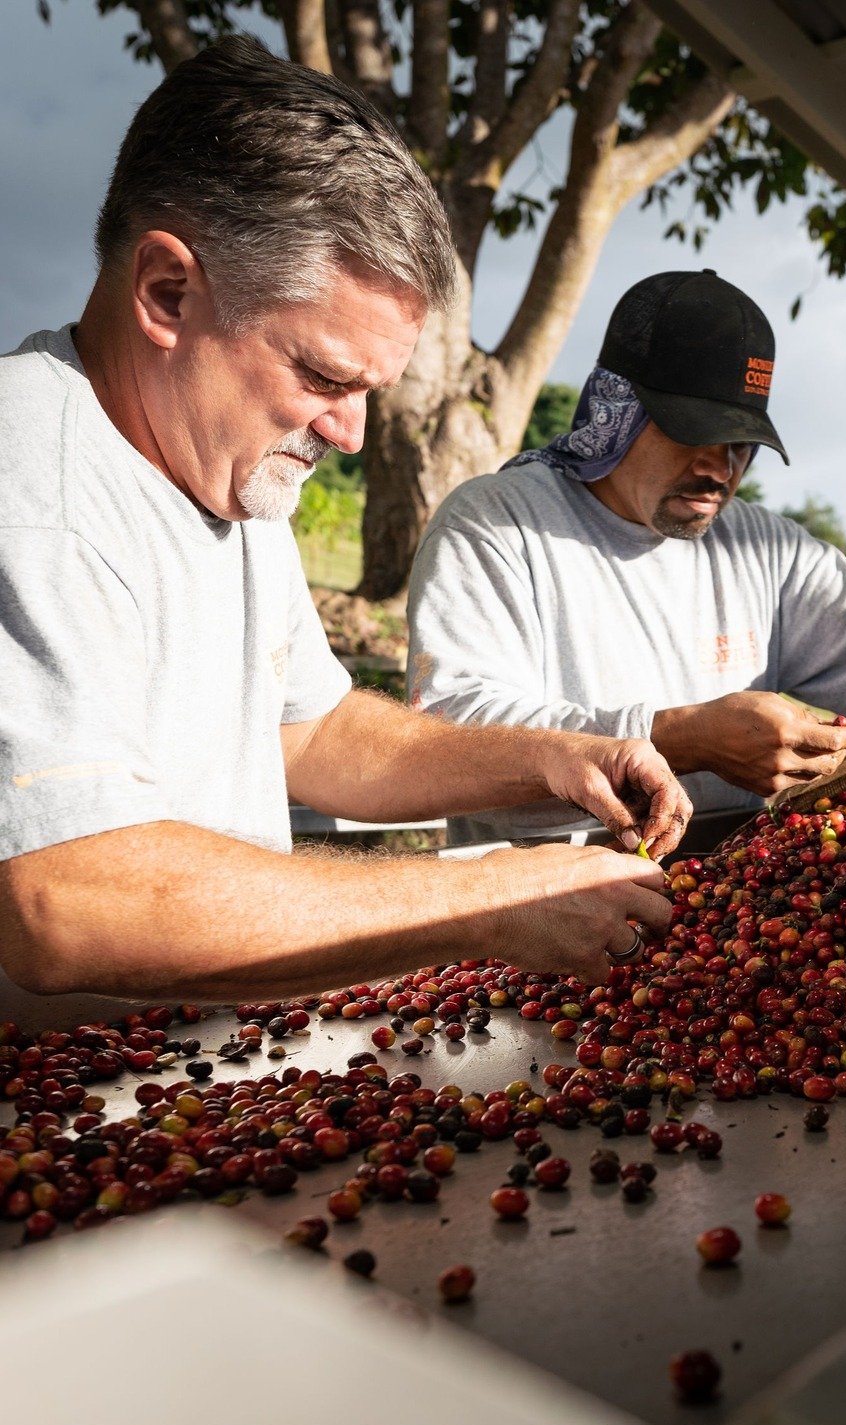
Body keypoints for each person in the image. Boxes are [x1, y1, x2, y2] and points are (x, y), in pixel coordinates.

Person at [0, 39, 691, 1003]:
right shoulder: (31, 489)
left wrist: (551, 759)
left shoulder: (223, 467)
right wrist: (476, 901)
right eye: (323, 376)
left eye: (371, 390)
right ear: (167, 292)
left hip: (203, 1099)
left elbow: (312, 733)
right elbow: (65, 901)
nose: (354, 434)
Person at [407, 269, 846, 847]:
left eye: (740, 443)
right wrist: (680, 739)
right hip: (526, 909)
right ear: (618, 408)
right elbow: (451, 733)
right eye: (693, 431)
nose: (717, 467)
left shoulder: (758, 547)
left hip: (726, 899)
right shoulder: (498, 525)